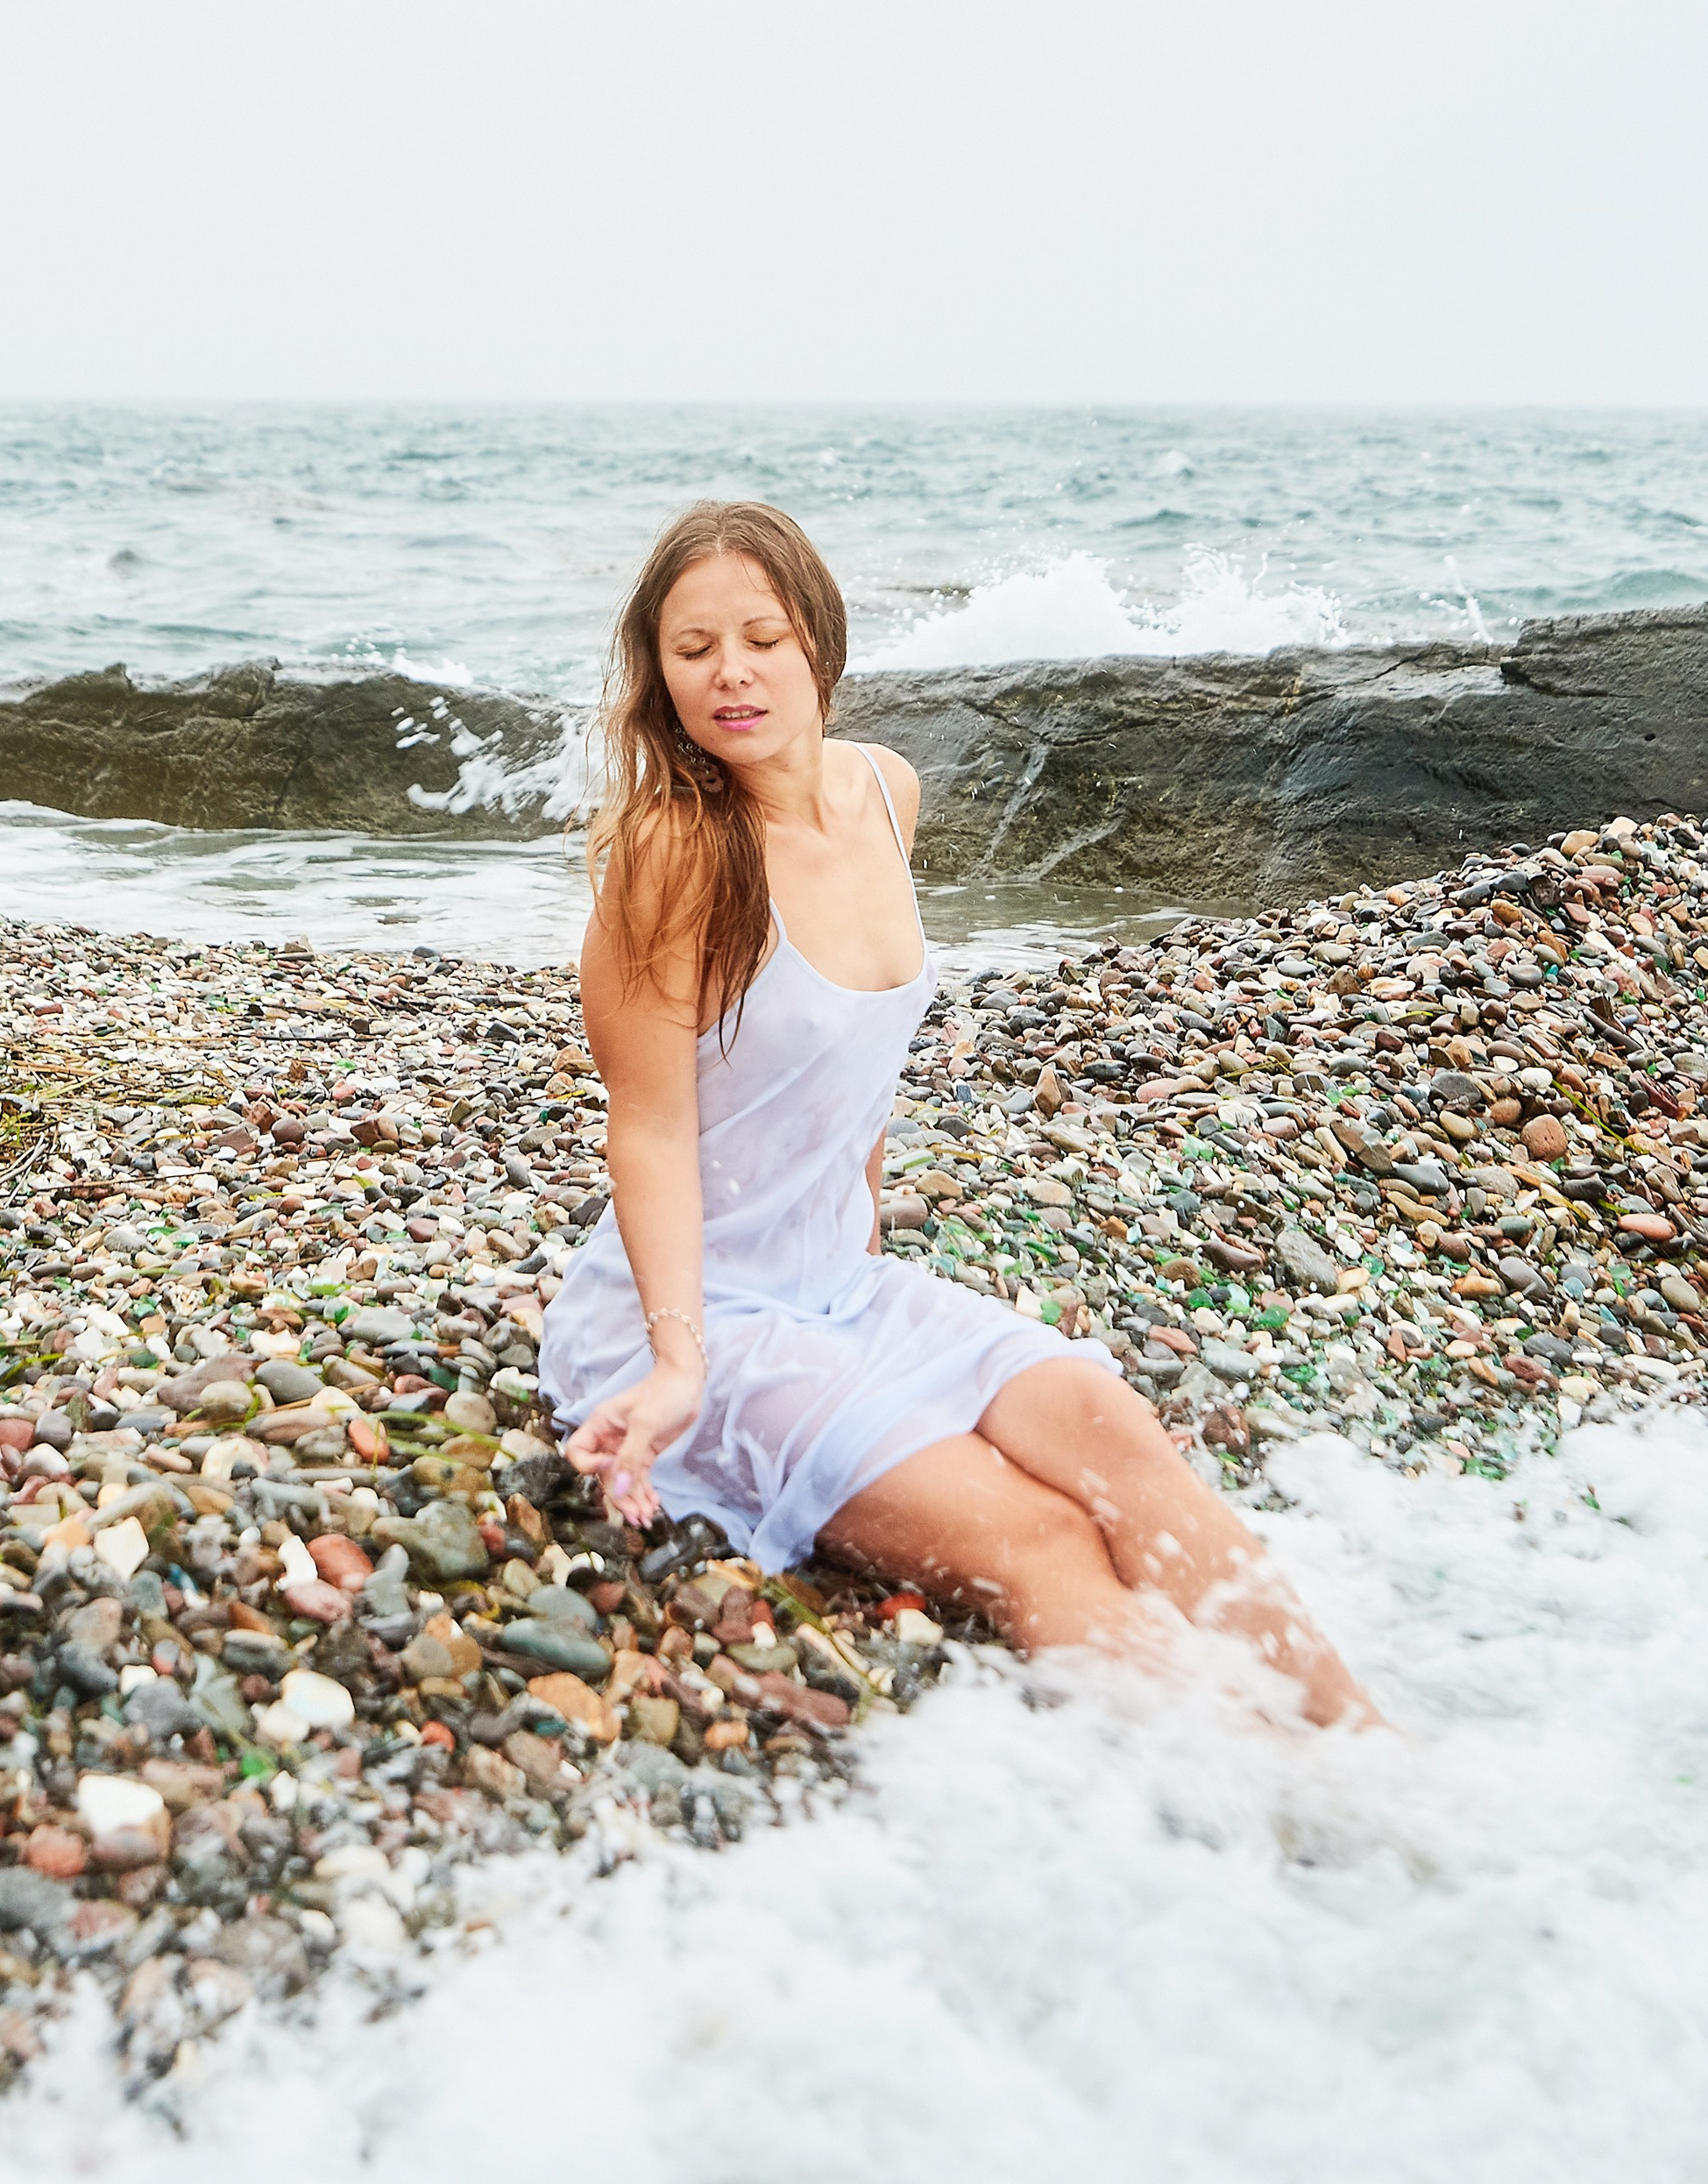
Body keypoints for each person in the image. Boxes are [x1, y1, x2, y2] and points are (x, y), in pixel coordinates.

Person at [540, 501, 1371, 1727]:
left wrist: (862, 1226)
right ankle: (1295, 1802)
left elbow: (861, 1051)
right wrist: (676, 1362)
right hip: (695, 1318)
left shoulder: (884, 792)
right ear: (658, 677)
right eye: (693, 648)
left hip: (843, 1284)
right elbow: (649, 1129)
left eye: (761, 637)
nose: (731, 674)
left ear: (817, 639)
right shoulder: (675, 851)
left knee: (1115, 1436)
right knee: (1038, 1534)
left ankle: (1371, 1748)